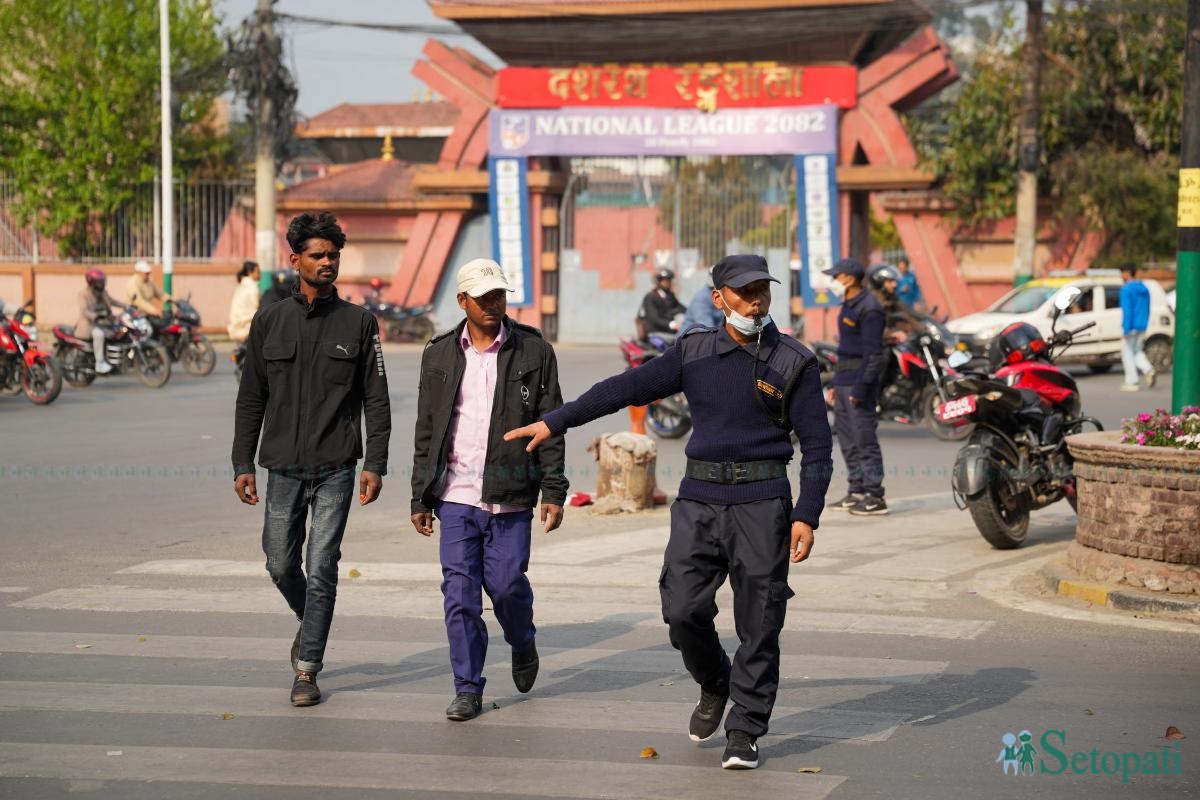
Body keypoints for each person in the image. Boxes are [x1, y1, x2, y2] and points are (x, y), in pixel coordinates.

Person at [505, 254, 833, 771]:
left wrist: (806, 515)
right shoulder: (694, 352)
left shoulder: (794, 362)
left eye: (763, 291)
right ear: (719, 297)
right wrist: (556, 422)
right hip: (699, 501)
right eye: (744, 292)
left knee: (761, 622)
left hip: (763, 503)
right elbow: (622, 390)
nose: (756, 301)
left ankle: (745, 728)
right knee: (682, 611)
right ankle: (715, 681)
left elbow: (818, 447)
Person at [232, 212, 391, 707]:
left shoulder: (359, 323)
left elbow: (377, 400)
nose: (327, 262)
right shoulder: (270, 320)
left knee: (320, 565)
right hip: (281, 467)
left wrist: (376, 463)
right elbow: (250, 396)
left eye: (333, 255)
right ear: (295, 259)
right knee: (280, 564)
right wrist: (242, 462)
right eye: (317, 254)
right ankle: (312, 621)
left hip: (336, 468)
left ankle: (308, 669)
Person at [410, 258, 568, 722]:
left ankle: (522, 639)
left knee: (506, 586)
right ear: (463, 301)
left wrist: (554, 490)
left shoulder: (535, 353)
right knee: (459, 595)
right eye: (484, 298)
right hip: (455, 496)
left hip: (511, 493)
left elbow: (551, 426)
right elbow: (427, 428)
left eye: (499, 296)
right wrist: (421, 494)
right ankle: (467, 687)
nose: (494, 305)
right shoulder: (437, 354)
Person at [825, 258, 888, 516]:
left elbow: (874, 355)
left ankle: (875, 496)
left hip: (859, 384)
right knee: (848, 441)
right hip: (843, 382)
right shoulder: (847, 305)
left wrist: (861, 389)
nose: (833, 282)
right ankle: (857, 490)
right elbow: (845, 351)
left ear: (849, 279)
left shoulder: (870, 308)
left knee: (865, 440)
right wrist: (835, 384)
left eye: (835, 277)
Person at [76, 269, 121, 375]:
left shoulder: (103, 292)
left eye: (102, 281)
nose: (102, 284)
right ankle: (99, 363)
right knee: (99, 334)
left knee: (117, 332)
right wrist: (95, 316)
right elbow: (84, 310)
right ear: (91, 282)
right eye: (99, 282)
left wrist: (126, 306)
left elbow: (112, 301)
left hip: (104, 323)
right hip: (89, 325)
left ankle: (113, 360)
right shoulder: (83, 294)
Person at [1118, 263, 1155, 391]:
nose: (1121, 275)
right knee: (1137, 351)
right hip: (1142, 324)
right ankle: (1148, 369)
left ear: (1127, 273)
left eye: (1122, 272)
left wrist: (1126, 328)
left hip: (1132, 326)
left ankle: (1132, 381)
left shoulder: (1126, 289)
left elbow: (1127, 310)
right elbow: (1147, 307)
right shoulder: (1144, 288)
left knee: (1127, 353)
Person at [637, 267, 686, 338]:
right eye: (664, 281)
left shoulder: (670, 296)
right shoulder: (650, 297)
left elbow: (681, 308)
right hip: (655, 333)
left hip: (669, 331)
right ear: (658, 281)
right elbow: (654, 319)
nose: (668, 283)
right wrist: (672, 324)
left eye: (669, 280)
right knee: (676, 341)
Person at [227, 261, 260, 344]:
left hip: (236, 325)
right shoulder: (253, 286)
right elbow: (257, 307)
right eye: (257, 271)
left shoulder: (241, 285)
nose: (259, 274)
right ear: (250, 272)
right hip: (246, 325)